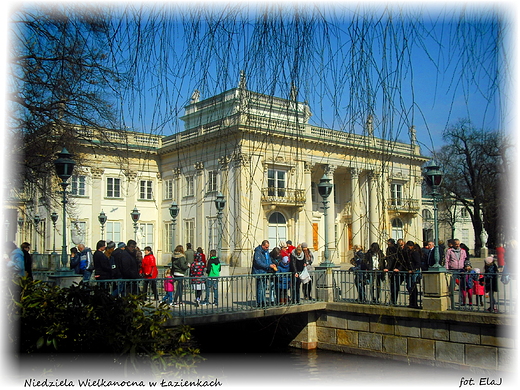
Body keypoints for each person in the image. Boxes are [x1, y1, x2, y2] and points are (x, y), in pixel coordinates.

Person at [251, 240, 276, 308]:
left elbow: (268, 260)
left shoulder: (266, 252)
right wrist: (268, 265)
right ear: (262, 246)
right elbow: (258, 262)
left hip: (265, 271)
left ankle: (263, 301)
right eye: (266, 247)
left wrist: (271, 264)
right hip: (259, 272)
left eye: (268, 247)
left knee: (264, 287)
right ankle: (259, 302)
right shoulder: (258, 252)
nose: (267, 248)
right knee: (260, 288)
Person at [403, 241, 422, 309]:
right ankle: (412, 302)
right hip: (411, 271)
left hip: (414, 271)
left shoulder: (414, 253)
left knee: (412, 286)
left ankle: (414, 302)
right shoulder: (409, 252)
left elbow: (418, 263)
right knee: (409, 286)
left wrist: (413, 269)